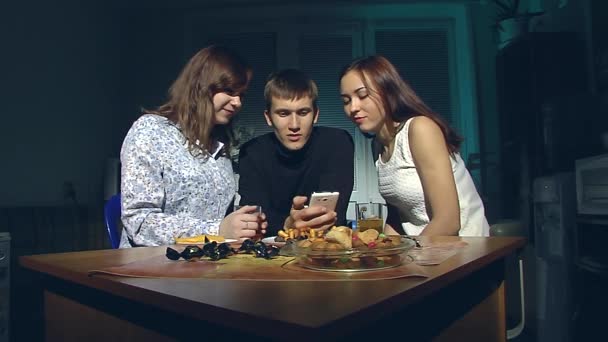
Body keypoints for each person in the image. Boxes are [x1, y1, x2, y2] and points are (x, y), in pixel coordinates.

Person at [119, 45, 267, 248]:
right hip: (154, 267)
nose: (238, 102)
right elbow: (140, 223)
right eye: (229, 91)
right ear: (202, 87)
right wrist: (217, 231)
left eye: (242, 94)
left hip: (209, 266)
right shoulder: (151, 131)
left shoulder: (219, 148)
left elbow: (219, 216)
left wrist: (244, 225)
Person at [339, 55, 489, 237]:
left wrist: (410, 257)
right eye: (346, 101)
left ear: (388, 91)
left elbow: (448, 221)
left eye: (362, 95)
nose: (353, 107)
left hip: (465, 251)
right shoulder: (378, 145)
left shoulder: (420, 129)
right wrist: (379, 250)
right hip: (423, 252)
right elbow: (397, 219)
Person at [237, 69, 354, 237]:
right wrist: (287, 224)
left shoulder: (337, 143)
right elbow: (255, 221)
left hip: (325, 250)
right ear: (268, 117)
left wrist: (288, 224)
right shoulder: (252, 152)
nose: (294, 124)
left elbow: (331, 215)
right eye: (283, 113)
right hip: (270, 254)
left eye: (303, 112)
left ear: (315, 115)